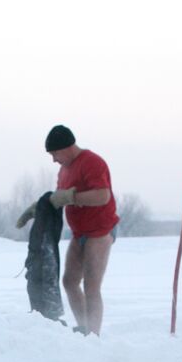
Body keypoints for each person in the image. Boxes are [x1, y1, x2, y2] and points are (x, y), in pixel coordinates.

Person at [24, 125, 119, 335]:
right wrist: (39, 209)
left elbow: (103, 195)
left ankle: (94, 335)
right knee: (69, 282)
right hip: (79, 233)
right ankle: (85, 327)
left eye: (55, 153)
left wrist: (71, 197)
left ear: (67, 147)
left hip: (100, 231)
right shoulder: (64, 170)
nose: (54, 160)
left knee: (92, 287)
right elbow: (58, 197)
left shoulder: (92, 162)